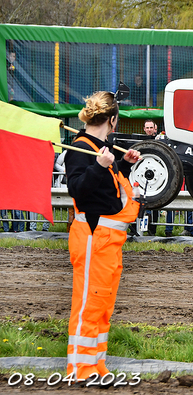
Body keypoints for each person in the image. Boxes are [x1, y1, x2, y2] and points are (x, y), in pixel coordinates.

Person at [64, 91, 141, 381]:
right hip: (93, 237)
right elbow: (79, 191)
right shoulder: (80, 149)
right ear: (112, 119)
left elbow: (105, 190)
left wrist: (123, 165)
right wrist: (100, 165)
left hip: (109, 241)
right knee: (88, 304)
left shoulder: (103, 147)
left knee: (103, 306)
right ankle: (79, 369)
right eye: (116, 122)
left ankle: (96, 364)